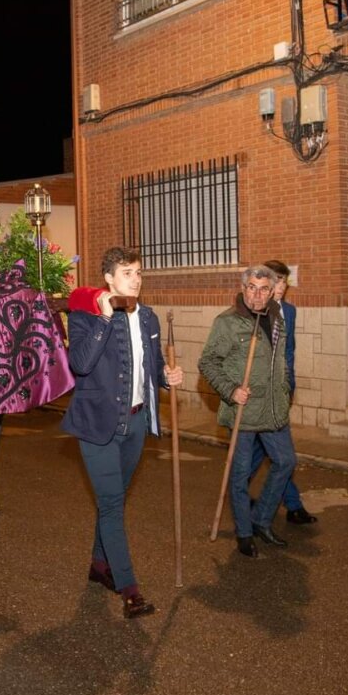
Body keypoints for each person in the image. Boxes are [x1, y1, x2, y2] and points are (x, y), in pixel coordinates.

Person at [61, 247, 184, 619]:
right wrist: (103, 318)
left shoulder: (147, 317)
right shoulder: (84, 316)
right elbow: (79, 364)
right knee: (113, 505)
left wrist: (167, 377)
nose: (136, 279)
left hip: (135, 424)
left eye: (139, 272)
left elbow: (153, 365)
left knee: (112, 500)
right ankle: (129, 589)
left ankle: (100, 565)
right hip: (97, 425)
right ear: (110, 279)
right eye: (128, 273)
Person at [198, 265, 298, 558]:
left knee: (285, 461)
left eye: (263, 289)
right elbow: (208, 363)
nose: (257, 294)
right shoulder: (228, 323)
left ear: (272, 291)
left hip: (273, 410)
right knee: (240, 474)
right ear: (243, 289)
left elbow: (281, 358)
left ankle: (261, 520)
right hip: (242, 411)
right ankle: (244, 533)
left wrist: (286, 385)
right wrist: (230, 391)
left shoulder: (277, 317)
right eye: (251, 288)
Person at [247, 260, 316, 525]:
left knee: (267, 451)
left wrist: (289, 386)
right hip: (259, 394)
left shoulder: (290, 310)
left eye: (284, 281)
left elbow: (289, 352)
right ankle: (290, 505)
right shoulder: (254, 310)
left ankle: (239, 490)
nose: (280, 286)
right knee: (276, 453)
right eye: (275, 280)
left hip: (281, 392)